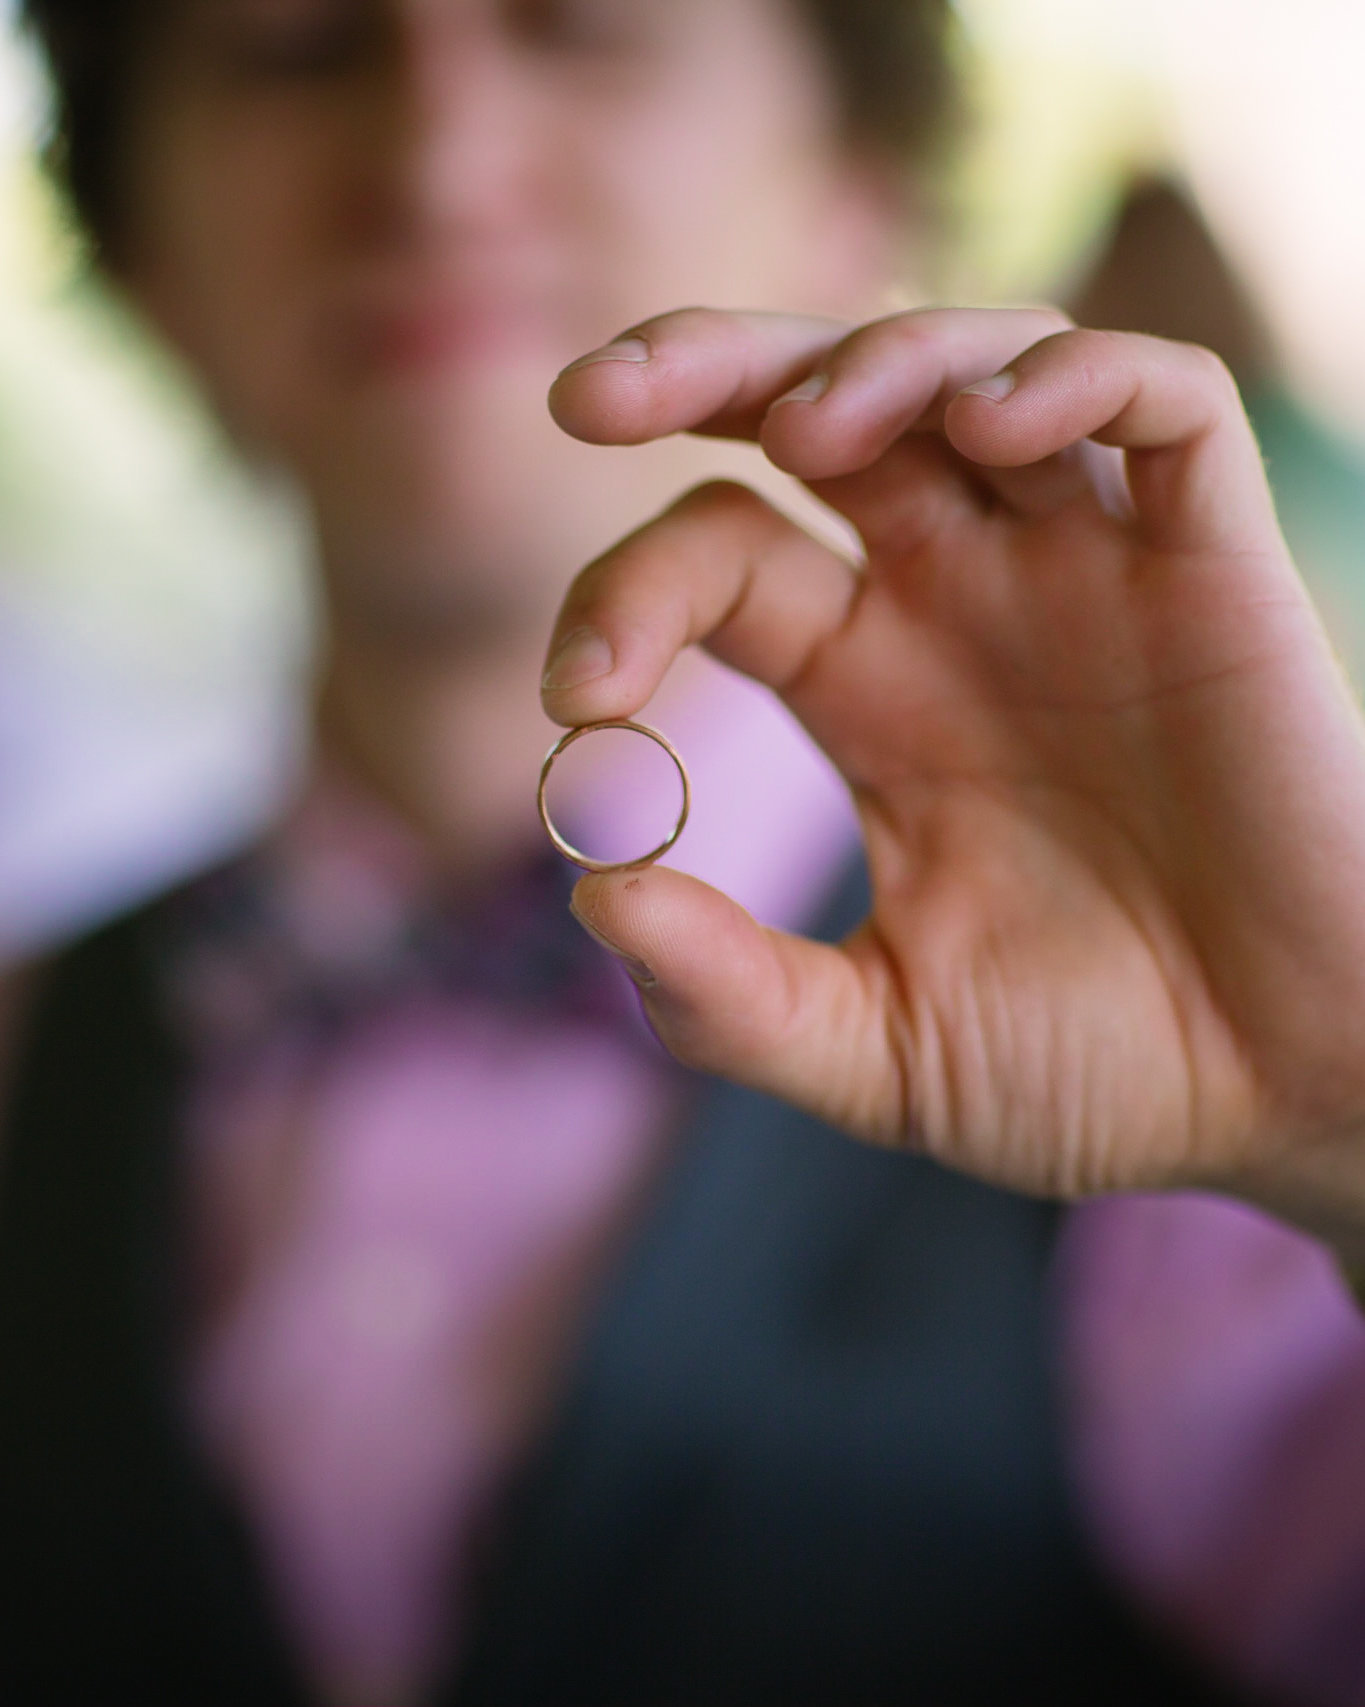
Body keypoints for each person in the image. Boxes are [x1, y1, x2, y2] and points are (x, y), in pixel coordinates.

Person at [5, 2, 1365, 1703]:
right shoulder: (21, 1047)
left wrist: (1339, 1118)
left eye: (584, 27)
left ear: (859, 184)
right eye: (296, 45)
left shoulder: (1232, 1110)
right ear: (140, 253)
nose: (439, 164)